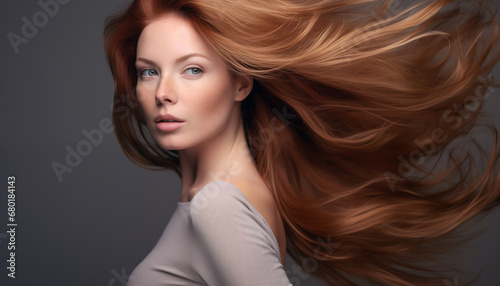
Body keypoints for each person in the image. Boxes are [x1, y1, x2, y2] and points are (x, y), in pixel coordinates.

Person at [103, 0, 500, 285]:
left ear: (240, 84)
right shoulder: (216, 196)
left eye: (192, 69)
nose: (163, 93)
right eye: (148, 72)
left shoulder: (217, 205)